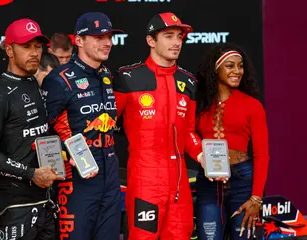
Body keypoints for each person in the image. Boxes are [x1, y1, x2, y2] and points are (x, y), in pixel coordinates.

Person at [113, 12, 203, 240]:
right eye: (169, 36)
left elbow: (189, 131)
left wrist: (204, 155)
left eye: (179, 37)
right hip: (145, 179)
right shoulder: (128, 78)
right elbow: (107, 124)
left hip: (180, 183)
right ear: (151, 41)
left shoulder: (189, 82)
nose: (176, 42)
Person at [0, 18, 64, 240]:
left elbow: (36, 135)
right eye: (26, 46)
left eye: (38, 46)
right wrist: (31, 174)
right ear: (9, 49)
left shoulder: (33, 83)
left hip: (44, 201)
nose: (34, 53)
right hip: (13, 208)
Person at [41, 12, 123, 240]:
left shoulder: (106, 74)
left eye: (109, 36)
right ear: (79, 40)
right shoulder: (59, 79)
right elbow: (40, 134)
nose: (107, 42)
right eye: (98, 37)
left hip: (109, 178)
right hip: (76, 182)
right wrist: (64, 156)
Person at [195, 43, 269, 240]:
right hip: (209, 182)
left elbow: (261, 154)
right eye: (230, 65)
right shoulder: (200, 104)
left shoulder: (252, 105)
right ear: (215, 69)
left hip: (242, 182)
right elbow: (188, 137)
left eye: (240, 65)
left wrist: (256, 198)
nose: (237, 71)